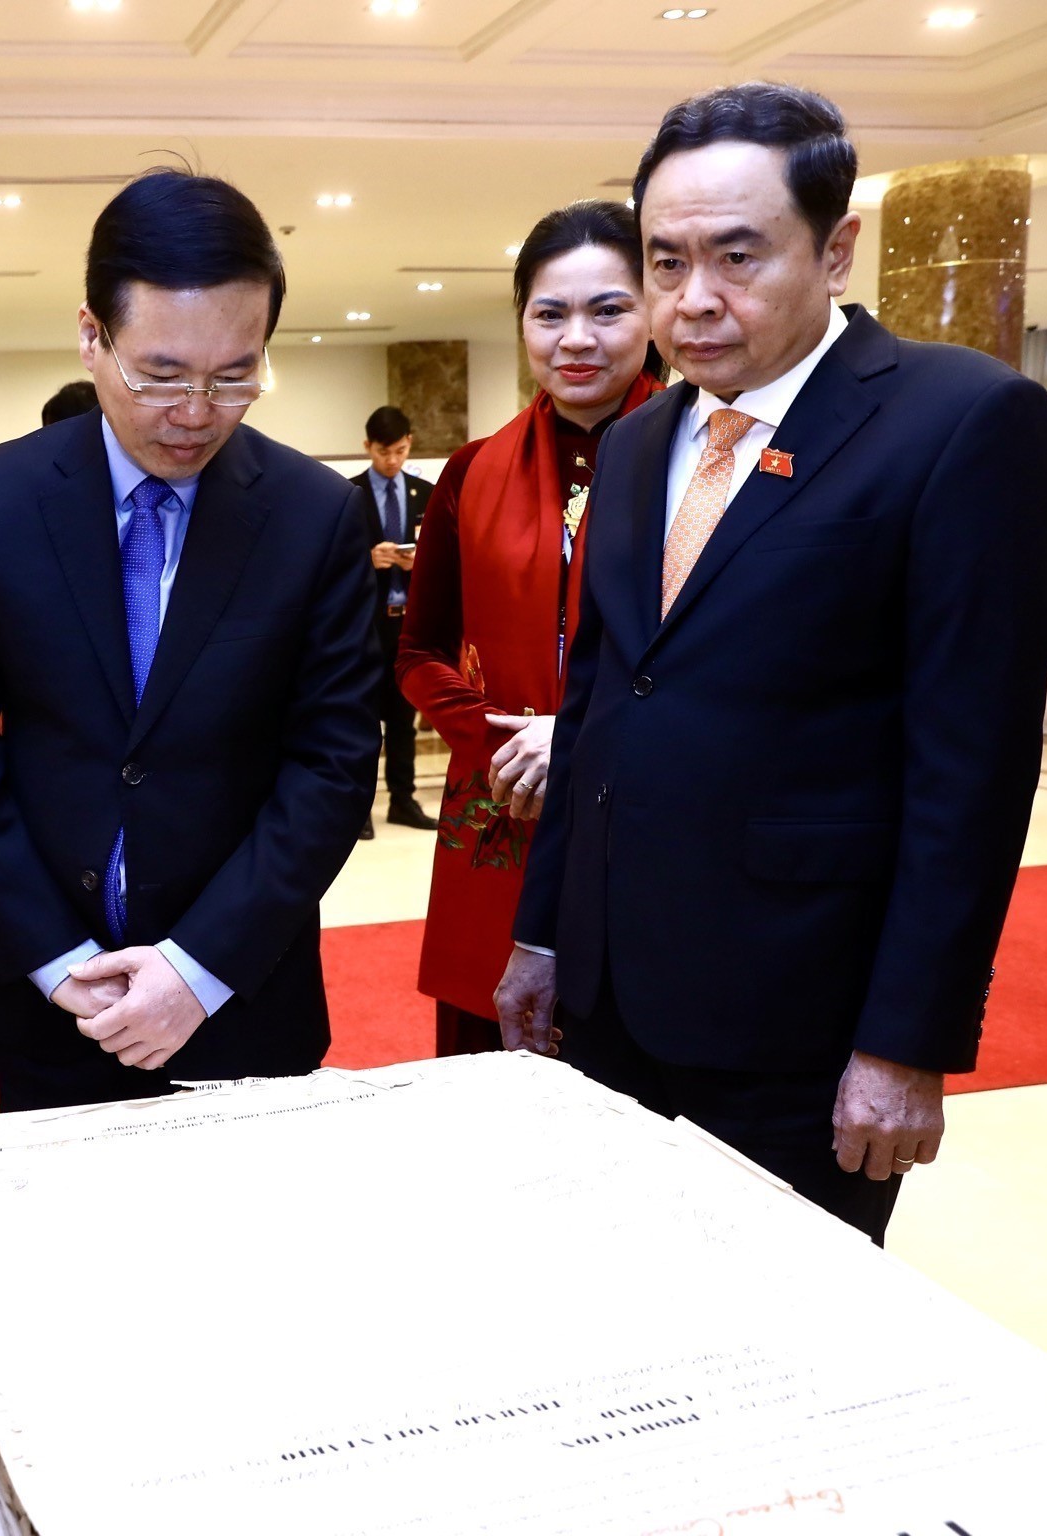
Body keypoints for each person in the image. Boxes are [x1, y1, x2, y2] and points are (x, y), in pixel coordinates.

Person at [494, 83, 1047, 1244]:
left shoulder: (961, 422)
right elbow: (599, 703)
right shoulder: (641, 439)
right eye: (666, 262)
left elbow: (972, 773)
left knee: (780, 1324)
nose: (693, 298)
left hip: (803, 1019)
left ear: (836, 249)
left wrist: (905, 1041)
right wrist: (544, 935)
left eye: (738, 256)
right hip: (611, 1002)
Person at [0, 170, 378, 1112]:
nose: (196, 411)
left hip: (243, 998)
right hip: (55, 1004)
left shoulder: (315, 514)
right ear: (93, 336)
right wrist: (55, 958)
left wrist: (196, 971)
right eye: (159, 374)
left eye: (235, 375)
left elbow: (330, 766)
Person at [398, 201, 664, 1057]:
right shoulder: (470, 470)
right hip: (502, 805)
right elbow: (421, 651)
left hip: (653, 807)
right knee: (497, 1072)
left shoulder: (712, 460)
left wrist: (579, 740)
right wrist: (504, 742)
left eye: (608, 310)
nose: (575, 339)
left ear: (655, 312)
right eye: (550, 314)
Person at [346, 405, 438, 838]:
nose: (392, 460)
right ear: (368, 447)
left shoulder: (426, 492)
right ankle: (358, 806)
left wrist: (423, 561)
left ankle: (403, 800)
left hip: (408, 622)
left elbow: (446, 556)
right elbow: (331, 564)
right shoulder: (349, 494)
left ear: (409, 444)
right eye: (384, 452)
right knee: (362, 719)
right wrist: (368, 559)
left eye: (400, 451)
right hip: (366, 624)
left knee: (404, 717)